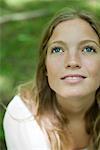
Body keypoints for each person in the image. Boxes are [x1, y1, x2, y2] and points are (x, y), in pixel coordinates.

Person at [3, 7, 100, 150]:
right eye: (58, 49)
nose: (72, 62)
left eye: (88, 49)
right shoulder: (23, 116)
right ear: (45, 67)